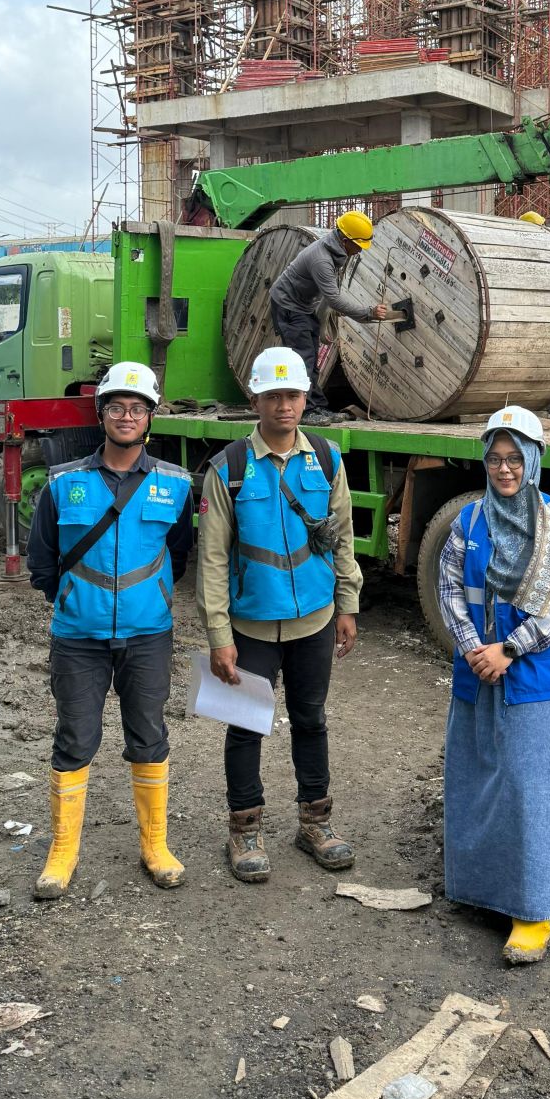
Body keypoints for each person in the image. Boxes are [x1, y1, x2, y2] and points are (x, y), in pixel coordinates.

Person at [26, 361, 193, 899]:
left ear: (151, 418)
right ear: (102, 415)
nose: (127, 416)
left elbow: (181, 554)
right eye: (117, 407)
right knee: (75, 738)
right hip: (78, 637)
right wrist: (77, 602)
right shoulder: (63, 483)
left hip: (148, 634)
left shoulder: (175, 484)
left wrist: (152, 599)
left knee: (149, 736)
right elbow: (43, 562)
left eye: (137, 408)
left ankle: (154, 845)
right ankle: (62, 852)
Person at [196, 346, 362, 882]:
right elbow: (213, 560)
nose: (284, 406)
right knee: (246, 726)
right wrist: (219, 634)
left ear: (305, 397)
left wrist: (347, 604)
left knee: (310, 720)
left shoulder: (328, 458)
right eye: (273, 396)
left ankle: (315, 821)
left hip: (314, 618)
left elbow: (342, 540)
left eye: (292, 395)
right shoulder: (229, 470)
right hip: (250, 626)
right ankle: (244, 828)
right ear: (256, 398)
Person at [437, 406, 550, 965]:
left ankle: (533, 911)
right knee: (475, 779)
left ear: (534, 461)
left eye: (515, 459)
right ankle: (481, 888)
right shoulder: (468, 522)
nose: (505, 470)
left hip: (534, 676)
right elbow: (450, 587)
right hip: (478, 670)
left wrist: (510, 649)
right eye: (496, 459)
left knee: (531, 789)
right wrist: (475, 648)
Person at [269, 212, 391, 421]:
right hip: (288, 306)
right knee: (302, 360)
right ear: (345, 241)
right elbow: (334, 299)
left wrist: (321, 318)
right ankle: (305, 412)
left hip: (304, 307)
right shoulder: (322, 260)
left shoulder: (335, 252)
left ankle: (317, 406)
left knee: (311, 360)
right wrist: (368, 313)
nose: (360, 250)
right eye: (358, 245)